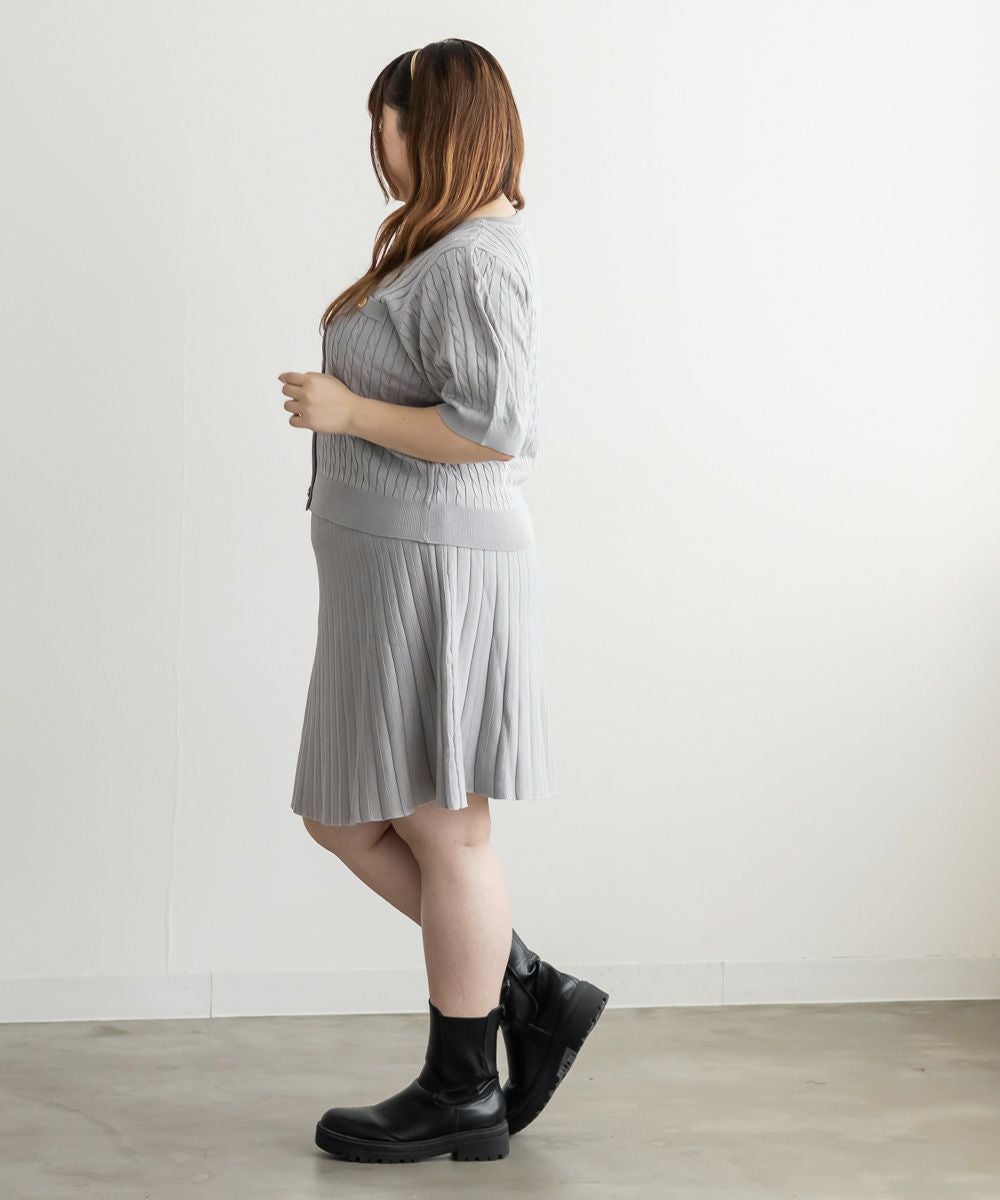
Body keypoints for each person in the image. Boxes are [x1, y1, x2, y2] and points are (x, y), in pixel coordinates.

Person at [278, 39, 608, 1165]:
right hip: (394, 570)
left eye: (385, 125)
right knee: (346, 815)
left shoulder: (476, 256)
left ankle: (463, 1086)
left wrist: (347, 412)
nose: (378, 149)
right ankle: (525, 987)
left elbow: (494, 428)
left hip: (437, 571)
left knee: (443, 824)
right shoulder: (445, 244)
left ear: (426, 125)